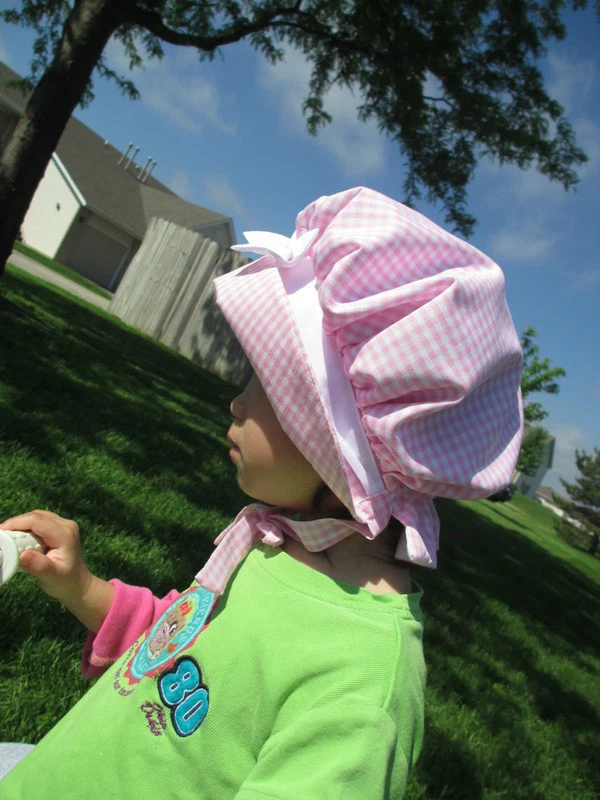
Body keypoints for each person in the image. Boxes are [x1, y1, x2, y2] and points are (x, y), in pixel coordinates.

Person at [0, 187, 523, 799]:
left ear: (345, 450)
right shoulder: (280, 546)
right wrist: (82, 587)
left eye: (269, 386)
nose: (237, 401)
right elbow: (177, 655)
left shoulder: (361, 688)